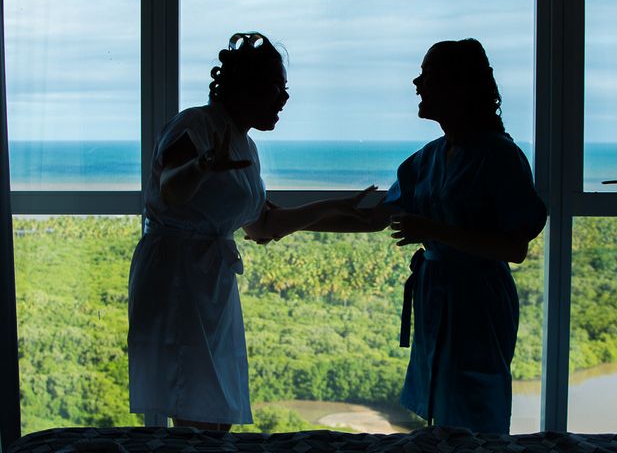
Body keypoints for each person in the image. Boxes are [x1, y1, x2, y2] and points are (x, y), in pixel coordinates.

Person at [279, 38, 547, 433]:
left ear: (459, 87)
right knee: (441, 401)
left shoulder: (499, 156)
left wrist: (434, 230)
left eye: (428, 75)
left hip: (477, 298)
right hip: (436, 292)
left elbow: (514, 247)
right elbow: (372, 218)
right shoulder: (429, 157)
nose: (417, 83)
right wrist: (285, 222)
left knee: (477, 402)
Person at [127, 32, 374, 431]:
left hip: (209, 282)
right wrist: (202, 165)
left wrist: (337, 209)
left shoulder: (244, 146)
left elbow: (262, 226)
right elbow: (172, 188)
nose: (284, 99)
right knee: (197, 407)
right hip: (178, 278)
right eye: (277, 88)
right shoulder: (196, 124)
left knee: (213, 407)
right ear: (246, 87)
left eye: (285, 89)